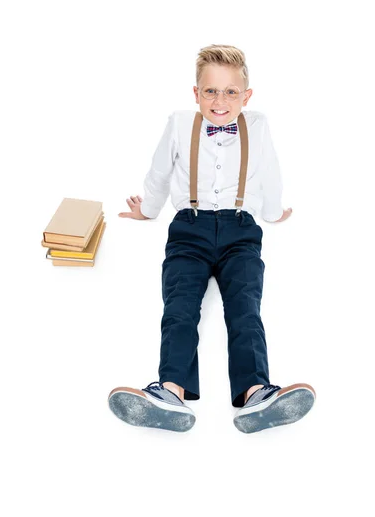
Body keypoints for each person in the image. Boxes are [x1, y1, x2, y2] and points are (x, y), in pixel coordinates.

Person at [108, 44, 316, 434]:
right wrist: (149, 210)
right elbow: (159, 171)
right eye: (210, 91)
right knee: (180, 306)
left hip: (241, 231)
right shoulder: (179, 123)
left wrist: (273, 212)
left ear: (246, 96)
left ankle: (256, 393)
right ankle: (169, 393)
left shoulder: (257, 125)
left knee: (244, 308)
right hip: (189, 229)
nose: (220, 101)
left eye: (230, 92)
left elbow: (270, 172)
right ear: (196, 93)